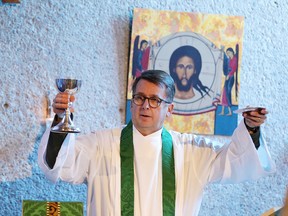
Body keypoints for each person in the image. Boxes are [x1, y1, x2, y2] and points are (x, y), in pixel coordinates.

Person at [38, 70, 275, 216]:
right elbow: (60, 166)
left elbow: (234, 161)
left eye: (154, 100)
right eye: (140, 98)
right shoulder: (101, 144)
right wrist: (61, 118)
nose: (145, 106)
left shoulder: (192, 151)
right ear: (132, 102)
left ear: (169, 109)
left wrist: (251, 128)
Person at [220, 47, 238, 116]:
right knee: (224, 92)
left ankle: (230, 111)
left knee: (227, 92)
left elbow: (234, 68)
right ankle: (223, 110)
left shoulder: (234, 59)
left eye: (228, 53)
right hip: (227, 77)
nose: (228, 54)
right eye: (227, 53)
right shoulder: (229, 59)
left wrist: (229, 75)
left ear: (232, 52)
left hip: (231, 78)